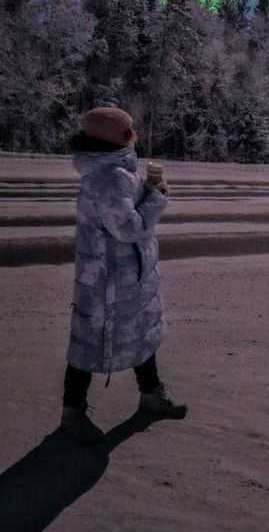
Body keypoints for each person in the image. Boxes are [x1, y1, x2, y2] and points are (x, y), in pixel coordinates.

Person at [60, 106, 187, 444]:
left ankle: (150, 396)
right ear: (113, 140)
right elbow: (128, 228)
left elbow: (122, 212)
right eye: (129, 133)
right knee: (89, 345)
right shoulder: (110, 177)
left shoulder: (112, 172)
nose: (135, 138)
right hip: (109, 281)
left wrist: (145, 191)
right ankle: (71, 414)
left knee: (140, 333)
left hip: (123, 276)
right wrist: (157, 199)